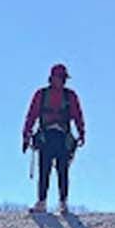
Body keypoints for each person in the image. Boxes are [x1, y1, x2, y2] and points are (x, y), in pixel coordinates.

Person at [22, 63, 86, 214]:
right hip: (46, 136)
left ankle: (63, 202)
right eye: (61, 78)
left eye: (64, 78)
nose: (62, 81)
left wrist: (81, 132)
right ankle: (42, 202)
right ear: (52, 78)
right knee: (44, 169)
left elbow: (78, 115)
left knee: (63, 170)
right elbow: (32, 114)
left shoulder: (70, 96)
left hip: (63, 136)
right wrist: (26, 133)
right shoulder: (41, 95)